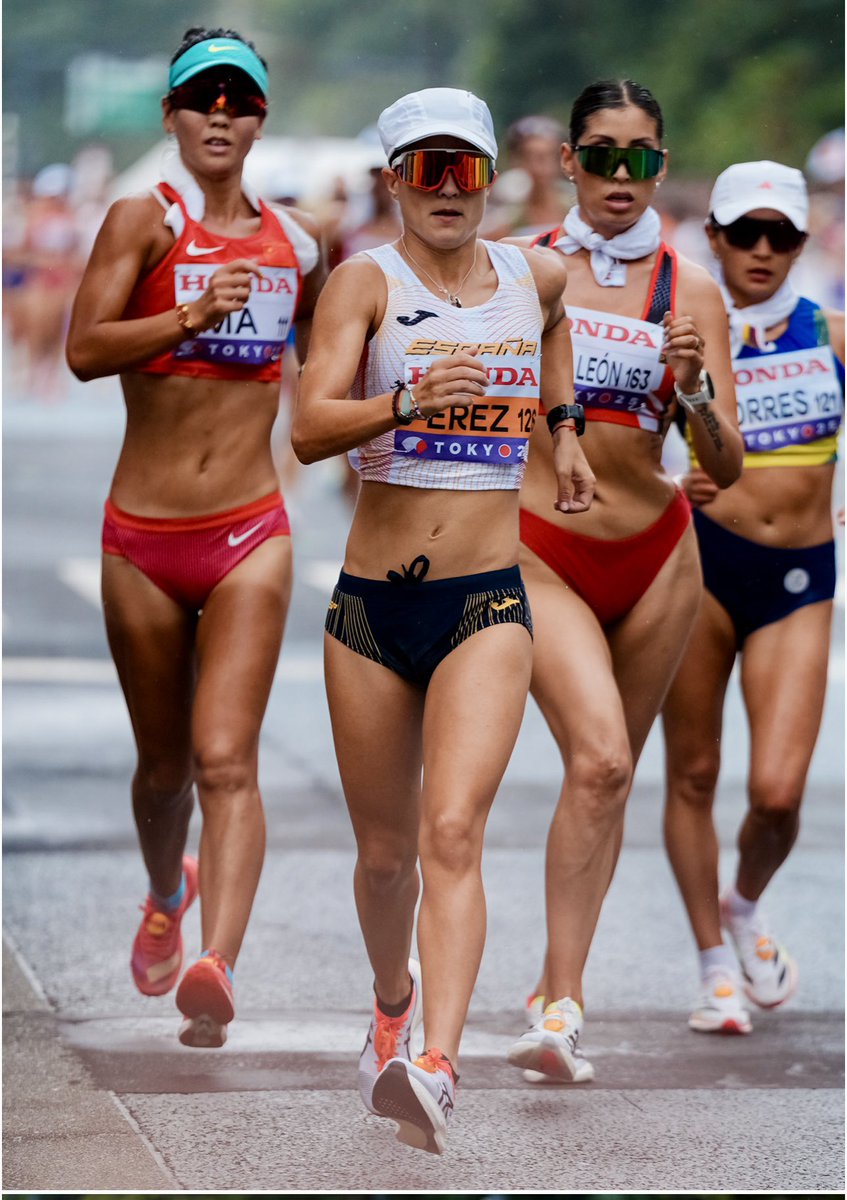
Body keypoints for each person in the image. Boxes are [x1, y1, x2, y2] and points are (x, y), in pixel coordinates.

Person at [292, 86, 594, 1153]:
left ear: (488, 179)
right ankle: (391, 1002)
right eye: (426, 169)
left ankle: (436, 1063)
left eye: (464, 167)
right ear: (394, 182)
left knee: (452, 832)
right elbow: (307, 429)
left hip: (485, 601)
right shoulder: (363, 283)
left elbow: (554, 330)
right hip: (372, 610)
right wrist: (405, 403)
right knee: (386, 857)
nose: (447, 188)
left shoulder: (533, 275)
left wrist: (565, 431)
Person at [65, 26, 325, 1047]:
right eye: (201, 98)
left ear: (260, 120)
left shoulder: (300, 244)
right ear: (170, 116)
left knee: (226, 760)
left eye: (239, 100)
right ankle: (166, 894)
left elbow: (328, 367)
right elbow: (84, 348)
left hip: (251, 528)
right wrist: (183, 317)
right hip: (143, 539)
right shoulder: (144, 220)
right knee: (165, 770)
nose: (220, 114)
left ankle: (217, 963)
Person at [502, 79, 744, 1082]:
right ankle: (562, 1004)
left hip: (656, 555)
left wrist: (691, 391)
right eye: (599, 155)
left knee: (606, 778)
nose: (618, 176)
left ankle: (554, 990)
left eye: (638, 158)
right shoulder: (520, 267)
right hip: (539, 548)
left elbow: (725, 463)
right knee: (599, 760)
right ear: (568, 161)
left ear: (660, 165)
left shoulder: (691, 289)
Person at [661, 161, 844, 1034]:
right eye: (744, 233)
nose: (761, 249)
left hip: (798, 577)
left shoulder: (830, 333)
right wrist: (669, 482)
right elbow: (619, 448)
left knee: (776, 794)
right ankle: (710, 968)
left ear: (801, 243)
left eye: (780, 235)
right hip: (698, 566)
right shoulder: (678, 334)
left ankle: (741, 901)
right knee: (693, 773)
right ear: (714, 238)